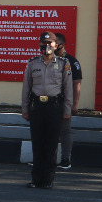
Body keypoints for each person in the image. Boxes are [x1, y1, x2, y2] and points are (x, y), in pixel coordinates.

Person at [20, 32, 73, 190]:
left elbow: (68, 89)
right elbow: (26, 88)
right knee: (37, 143)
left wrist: (67, 110)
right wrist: (25, 109)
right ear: (39, 45)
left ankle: (48, 179)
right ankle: (36, 179)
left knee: (51, 145)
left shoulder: (64, 64)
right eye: (43, 43)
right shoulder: (32, 64)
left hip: (54, 107)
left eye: (50, 43)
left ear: (56, 46)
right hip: (36, 107)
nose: (46, 46)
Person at [54, 32, 82, 169]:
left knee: (65, 131)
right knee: (46, 130)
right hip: (48, 102)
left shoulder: (71, 61)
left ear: (62, 45)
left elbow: (77, 83)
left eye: (54, 42)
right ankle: (44, 158)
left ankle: (66, 159)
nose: (50, 45)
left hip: (64, 102)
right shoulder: (46, 60)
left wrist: (74, 104)